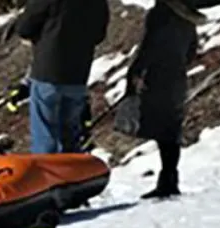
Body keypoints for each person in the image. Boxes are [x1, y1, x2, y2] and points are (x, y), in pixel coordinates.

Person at [116, 0, 206, 199]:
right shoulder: (187, 16)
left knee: (161, 130)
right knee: (171, 130)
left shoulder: (159, 14)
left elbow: (147, 47)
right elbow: (191, 51)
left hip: (157, 77)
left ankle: (166, 182)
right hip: (178, 78)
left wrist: (134, 74)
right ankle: (170, 178)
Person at [14, 0, 108, 154]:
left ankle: (47, 168)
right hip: (78, 74)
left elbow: (24, 27)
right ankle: (71, 167)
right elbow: (99, 35)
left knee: (46, 139)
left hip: (48, 72)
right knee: (71, 138)